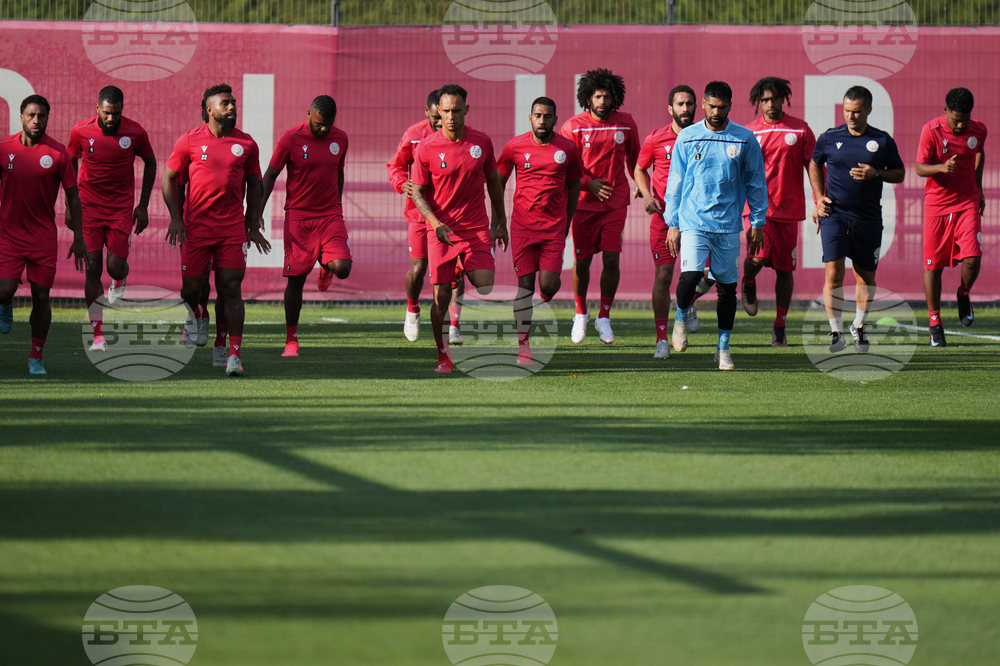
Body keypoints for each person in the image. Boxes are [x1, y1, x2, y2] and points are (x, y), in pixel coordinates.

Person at [162, 83, 270, 377]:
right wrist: (176, 218)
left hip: (231, 229)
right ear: (209, 109)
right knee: (191, 290)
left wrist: (252, 221)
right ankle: (198, 313)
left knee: (230, 287)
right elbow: (169, 179)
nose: (232, 107)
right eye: (226, 103)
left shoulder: (246, 144)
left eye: (234, 103)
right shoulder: (189, 141)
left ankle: (231, 352)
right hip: (196, 228)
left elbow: (255, 186)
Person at [664, 81, 768, 370]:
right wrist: (672, 223)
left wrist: (757, 220)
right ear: (704, 104)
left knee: (727, 289)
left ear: (730, 107)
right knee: (690, 276)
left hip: (728, 224)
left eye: (722, 108)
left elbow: (756, 181)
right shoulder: (687, 137)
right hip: (693, 220)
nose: (716, 112)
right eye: (711, 106)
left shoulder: (744, 138)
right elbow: (676, 182)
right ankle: (681, 318)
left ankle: (723, 348)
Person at [410, 84, 508, 373]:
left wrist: (499, 222)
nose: (451, 116)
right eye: (446, 111)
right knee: (440, 297)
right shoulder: (427, 147)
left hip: (475, 227)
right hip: (440, 230)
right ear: (438, 111)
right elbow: (417, 192)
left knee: (485, 283)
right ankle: (443, 355)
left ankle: (459, 267)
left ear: (466, 110)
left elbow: (494, 183)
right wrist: (435, 223)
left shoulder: (482, 142)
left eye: (456, 110)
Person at [808, 85, 905, 354]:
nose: (851, 116)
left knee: (865, 278)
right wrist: (818, 197)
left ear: (869, 110)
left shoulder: (882, 140)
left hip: (868, 218)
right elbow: (814, 163)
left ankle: (859, 327)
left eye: (857, 112)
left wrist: (877, 174)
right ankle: (836, 332)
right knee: (834, 275)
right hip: (835, 215)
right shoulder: (829, 137)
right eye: (847, 111)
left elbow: (900, 173)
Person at [0, 95, 87, 375]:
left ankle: (35, 356)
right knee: (4, 289)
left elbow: (74, 197)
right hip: (8, 236)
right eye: (31, 115)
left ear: (48, 119)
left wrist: (79, 237)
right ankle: (6, 302)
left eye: (42, 116)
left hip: (42, 238)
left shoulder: (59, 153)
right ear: (21, 117)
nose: (37, 120)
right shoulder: (3, 149)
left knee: (41, 298)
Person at [67, 85, 156, 352]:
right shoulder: (81, 131)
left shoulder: (135, 132)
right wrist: (71, 205)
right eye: (106, 113)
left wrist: (143, 205)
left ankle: (119, 279)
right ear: (97, 109)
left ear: (122, 111)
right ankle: (98, 336)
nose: (110, 119)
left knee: (114, 267)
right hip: (89, 208)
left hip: (120, 209)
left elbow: (150, 163)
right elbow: (70, 161)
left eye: (115, 114)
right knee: (93, 268)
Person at [261, 95, 351, 358]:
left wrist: (338, 203)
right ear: (309, 113)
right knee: (296, 281)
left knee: (343, 268)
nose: (323, 129)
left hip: (330, 214)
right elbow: (270, 175)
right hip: (299, 217)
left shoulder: (341, 139)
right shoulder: (291, 138)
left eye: (328, 124)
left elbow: (339, 172)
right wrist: (257, 212)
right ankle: (291, 340)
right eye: (319, 123)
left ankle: (326, 267)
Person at [497, 97, 582, 366]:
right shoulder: (515, 147)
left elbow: (574, 188)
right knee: (524, 287)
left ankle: (546, 296)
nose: (542, 121)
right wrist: (498, 221)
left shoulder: (567, 148)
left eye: (547, 116)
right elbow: (497, 183)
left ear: (555, 120)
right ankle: (524, 347)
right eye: (538, 115)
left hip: (553, 229)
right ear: (530, 118)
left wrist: (566, 222)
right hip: (522, 228)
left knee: (548, 285)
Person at [559, 68, 639, 345]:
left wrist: (641, 183)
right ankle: (581, 313)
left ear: (615, 97)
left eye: (607, 96)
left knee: (611, 259)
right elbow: (565, 167)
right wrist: (587, 183)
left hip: (616, 204)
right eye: (598, 96)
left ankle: (604, 317)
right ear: (588, 98)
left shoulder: (626, 123)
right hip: (583, 206)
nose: (603, 101)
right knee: (582, 262)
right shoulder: (573, 126)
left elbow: (636, 160)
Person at [741, 77, 816, 348]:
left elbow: (814, 166)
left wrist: (820, 200)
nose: (771, 104)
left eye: (775, 99)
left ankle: (780, 327)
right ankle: (748, 281)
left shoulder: (800, 129)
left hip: (789, 210)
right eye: (765, 100)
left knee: (785, 270)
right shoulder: (748, 133)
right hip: (758, 210)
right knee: (758, 259)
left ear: (784, 98)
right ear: (758, 102)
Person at [387, 90, 467, 343]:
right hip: (419, 215)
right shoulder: (414, 136)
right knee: (418, 268)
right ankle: (412, 309)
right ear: (429, 112)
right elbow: (395, 165)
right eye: (436, 117)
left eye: (444, 116)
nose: (441, 122)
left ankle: (453, 324)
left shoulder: (461, 136)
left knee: (456, 272)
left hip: (451, 216)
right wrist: (402, 183)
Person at [916, 87, 987, 347]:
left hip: (967, 201)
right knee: (933, 266)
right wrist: (941, 167)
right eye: (955, 118)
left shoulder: (978, 130)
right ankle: (935, 324)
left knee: (973, 257)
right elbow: (919, 168)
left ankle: (963, 293)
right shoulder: (931, 131)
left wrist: (978, 188)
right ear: (945, 110)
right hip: (937, 206)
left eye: (964, 120)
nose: (960, 124)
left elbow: (979, 151)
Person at [634, 84, 698, 359]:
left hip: (698, 218)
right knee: (663, 276)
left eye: (689, 104)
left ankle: (689, 300)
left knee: (707, 275)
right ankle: (662, 339)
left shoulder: (704, 136)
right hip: (664, 218)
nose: (685, 109)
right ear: (670, 109)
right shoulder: (655, 139)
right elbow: (639, 168)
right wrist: (647, 194)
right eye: (680, 104)